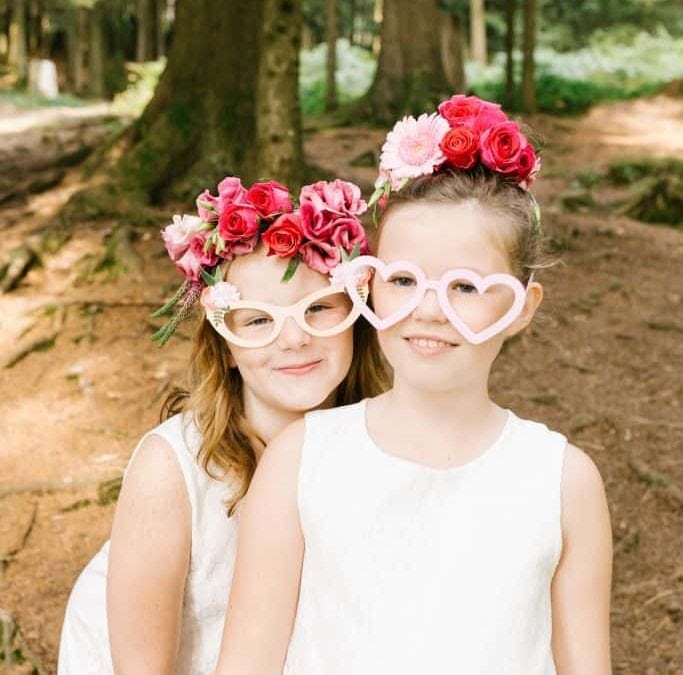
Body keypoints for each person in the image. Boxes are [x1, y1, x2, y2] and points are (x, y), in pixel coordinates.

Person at [214, 97, 613, 675]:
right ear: (368, 285)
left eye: (466, 287)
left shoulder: (562, 480)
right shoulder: (303, 460)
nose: (427, 310)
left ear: (524, 307)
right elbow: (247, 663)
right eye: (402, 279)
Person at [57, 175, 387, 675]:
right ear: (226, 350)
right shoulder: (172, 472)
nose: (294, 339)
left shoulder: (378, 442)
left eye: (319, 309)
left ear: (355, 321)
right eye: (258, 320)